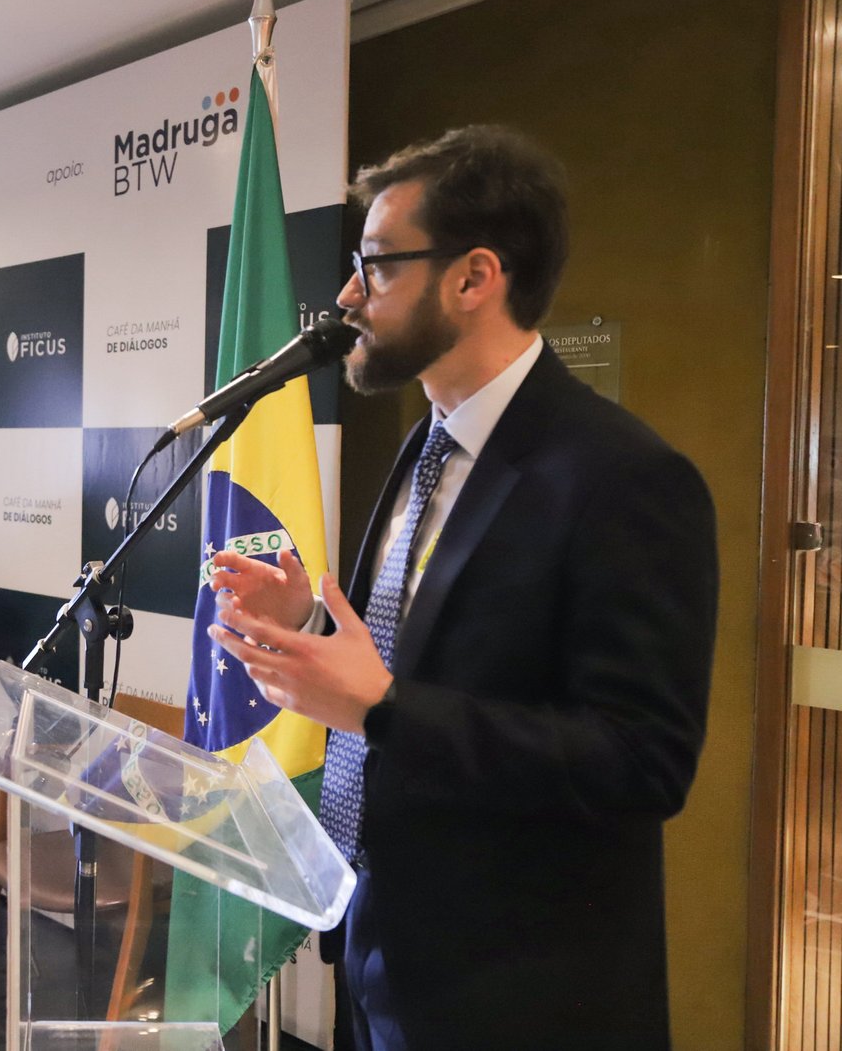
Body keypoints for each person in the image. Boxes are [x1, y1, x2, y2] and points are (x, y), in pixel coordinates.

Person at [205, 126, 717, 1049]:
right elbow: (428, 656)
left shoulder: (626, 476)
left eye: (376, 266)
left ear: (474, 278)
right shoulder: (427, 440)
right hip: (381, 948)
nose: (347, 296)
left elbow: (643, 760)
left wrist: (386, 708)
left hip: (519, 992)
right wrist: (311, 625)